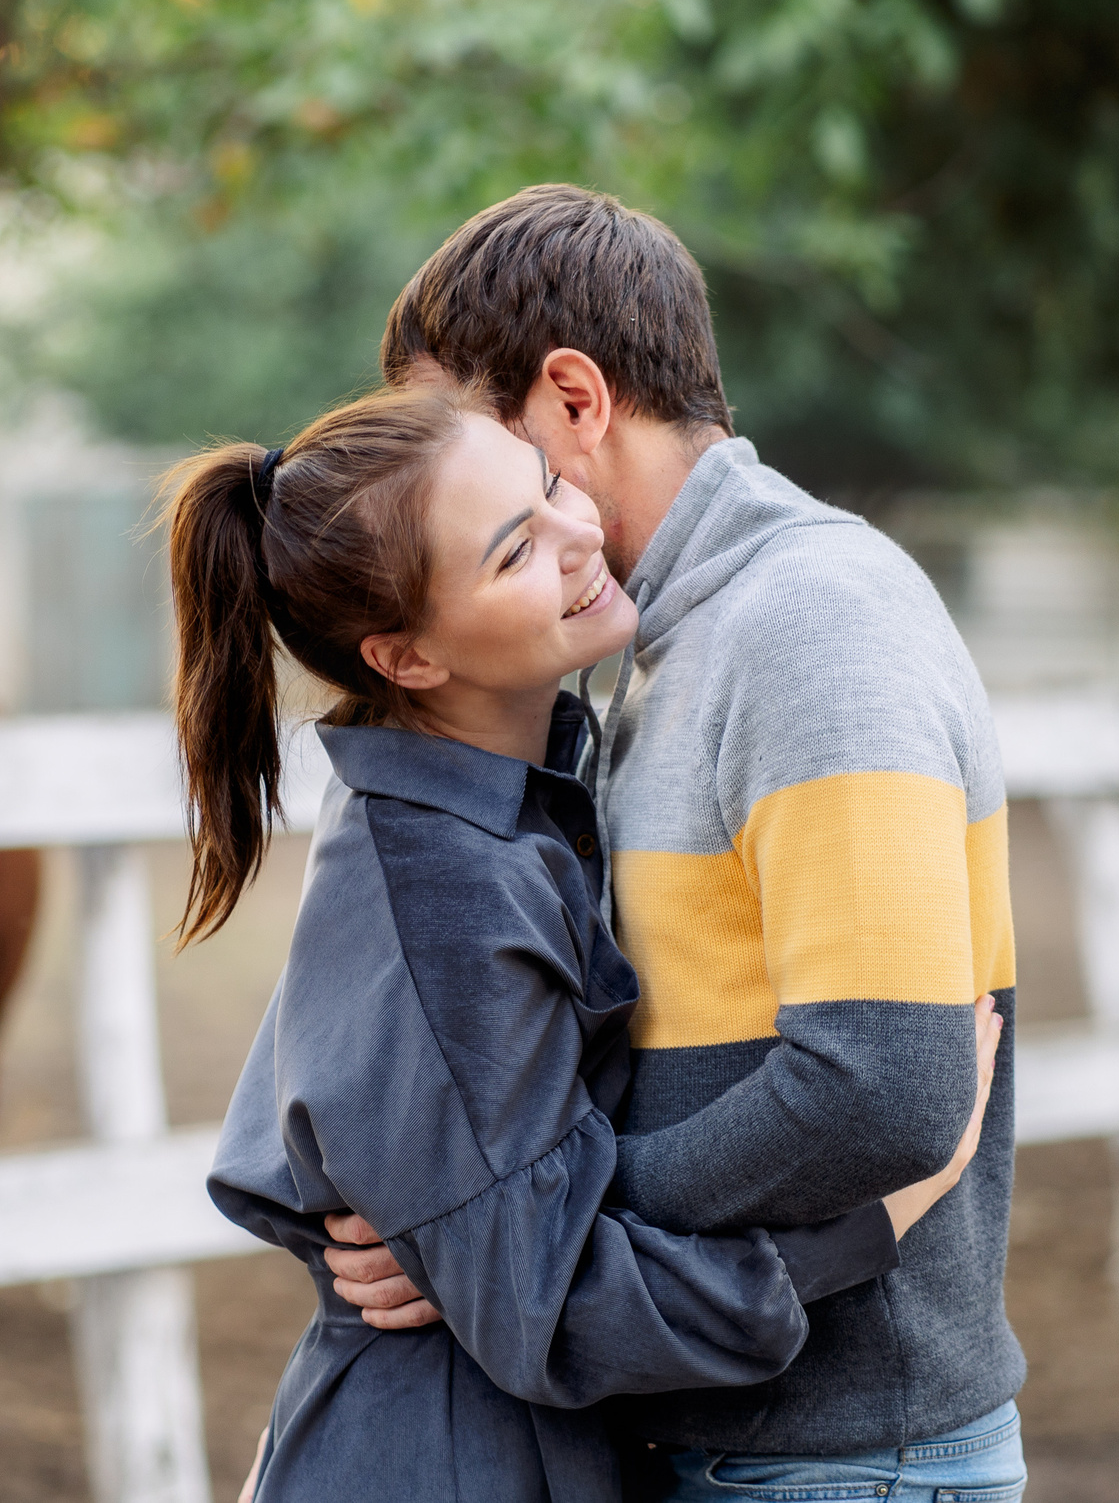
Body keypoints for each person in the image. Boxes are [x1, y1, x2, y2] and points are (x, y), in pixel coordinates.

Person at [173, 385, 1002, 1503]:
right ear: (408, 659)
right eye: (514, 550)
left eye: (550, 486)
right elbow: (551, 1306)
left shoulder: (508, 812)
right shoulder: (442, 889)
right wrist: (887, 1206)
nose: (577, 536)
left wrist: (467, 1237)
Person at [335, 184, 1028, 1501]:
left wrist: (526, 1229)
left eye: (457, 439)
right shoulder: (654, 645)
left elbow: (885, 1078)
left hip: (836, 1462)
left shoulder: (815, 620)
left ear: (575, 401)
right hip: (718, 1439)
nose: (438, 483)